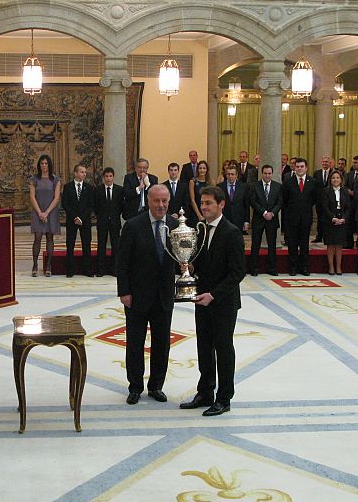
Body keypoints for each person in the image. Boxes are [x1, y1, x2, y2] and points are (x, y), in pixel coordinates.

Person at [180, 186, 245, 417]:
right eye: (202, 202)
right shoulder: (201, 231)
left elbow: (237, 273)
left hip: (223, 303)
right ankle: (205, 391)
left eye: (208, 203)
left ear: (221, 205)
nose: (204, 207)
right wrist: (190, 266)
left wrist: (214, 295)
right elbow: (204, 263)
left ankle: (224, 398)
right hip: (202, 299)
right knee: (204, 347)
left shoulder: (232, 232)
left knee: (223, 348)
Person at [116, 184, 178, 405]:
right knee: (135, 342)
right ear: (149, 201)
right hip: (137, 296)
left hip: (164, 296)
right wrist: (124, 291)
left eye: (165, 201)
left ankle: (156, 386)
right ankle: (135, 387)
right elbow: (122, 262)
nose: (161, 205)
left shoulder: (175, 226)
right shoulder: (133, 226)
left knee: (162, 344)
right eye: (157, 201)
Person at [281, 158, 319, 276]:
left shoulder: (313, 182)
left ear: (306, 168)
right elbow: (285, 201)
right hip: (291, 218)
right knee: (292, 245)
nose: (299, 168)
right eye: (297, 166)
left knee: (304, 244)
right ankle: (292, 268)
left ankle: (304, 267)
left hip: (306, 218)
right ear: (294, 168)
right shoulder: (288, 182)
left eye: (302, 166)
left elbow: (314, 199)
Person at [29, 155, 61, 277]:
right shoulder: (34, 179)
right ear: (39, 165)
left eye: (46, 163)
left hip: (51, 212)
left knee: (49, 238)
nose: (44, 166)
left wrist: (46, 212)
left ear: (49, 165)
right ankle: (35, 264)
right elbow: (32, 197)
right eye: (42, 163)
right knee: (37, 238)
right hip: (37, 211)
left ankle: (48, 265)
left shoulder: (55, 180)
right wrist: (40, 213)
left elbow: (57, 197)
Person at [61, 164, 94, 278]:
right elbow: (65, 204)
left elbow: (91, 205)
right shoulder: (67, 187)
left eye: (85, 172)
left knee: (86, 245)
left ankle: (87, 269)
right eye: (81, 172)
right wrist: (75, 217)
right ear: (75, 173)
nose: (84, 174)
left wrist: (81, 218)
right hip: (72, 220)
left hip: (85, 221)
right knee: (70, 245)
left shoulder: (89, 188)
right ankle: (70, 270)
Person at [249, 164, 282, 276]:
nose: (267, 175)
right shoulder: (255, 186)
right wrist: (264, 213)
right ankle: (254, 268)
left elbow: (280, 202)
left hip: (272, 219)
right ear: (262, 174)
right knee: (255, 245)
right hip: (259, 218)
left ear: (272, 174)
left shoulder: (278, 186)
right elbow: (253, 201)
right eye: (265, 173)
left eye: (269, 173)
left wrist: (272, 213)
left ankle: (271, 268)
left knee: (272, 245)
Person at [320, 170, 351, 275]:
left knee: (339, 245)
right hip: (329, 221)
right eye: (333, 178)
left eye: (337, 178)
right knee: (330, 245)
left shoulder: (345, 191)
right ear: (330, 180)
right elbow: (324, 207)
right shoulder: (326, 191)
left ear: (341, 179)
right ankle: (331, 267)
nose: (335, 180)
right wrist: (332, 218)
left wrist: (344, 218)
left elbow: (348, 207)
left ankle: (338, 267)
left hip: (342, 220)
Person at [94, 166, 122, 277]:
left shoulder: (119, 190)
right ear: (103, 177)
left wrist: (114, 216)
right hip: (102, 222)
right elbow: (95, 206)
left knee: (116, 246)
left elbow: (120, 206)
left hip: (115, 222)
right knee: (101, 246)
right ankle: (101, 270)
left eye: (110, 176)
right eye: (106, 176)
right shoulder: (98, 190)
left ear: (113, 177)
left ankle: (115, 270)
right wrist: (102, 216)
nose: (108, 178)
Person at [218, 165, 249, 233]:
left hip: (239, 221)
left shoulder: (243, 187)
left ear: (236, 175)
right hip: (224, 220)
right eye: (228, 174)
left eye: (232, 174)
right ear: (226, 175)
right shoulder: (220, 187)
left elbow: (246, 205)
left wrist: (246, 221)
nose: (230, 176)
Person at [312, 156, 332, 243]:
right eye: (323, 162)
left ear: (330, 163)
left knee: (329, 219)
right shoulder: (317, 173)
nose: (325, 163)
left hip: (330, 201)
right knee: (320, 219)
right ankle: (319, 236)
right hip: (319, 201)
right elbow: (314, 187)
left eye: (326, 162)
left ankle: (328, 237)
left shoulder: (333, 172)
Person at [187, 160, 211, 227]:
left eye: (204, 168)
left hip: (208, 213)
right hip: (196, 213)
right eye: (200, 168)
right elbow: (192, 200)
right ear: (197, 170)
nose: (202, 170)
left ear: (207, 170)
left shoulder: (211, 182)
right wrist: (199, 215)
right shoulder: (192, 181)